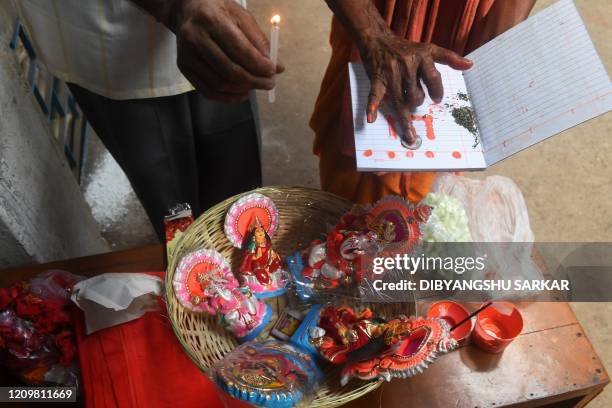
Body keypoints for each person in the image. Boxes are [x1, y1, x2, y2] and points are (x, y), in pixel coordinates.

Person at [15, 0, 283, 240]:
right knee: (173, 210)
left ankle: (247, 267)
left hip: (218, 24)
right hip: (109, 43)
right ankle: (192, 276)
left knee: (238, 193)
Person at [311, 0, 535, 204]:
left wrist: (501, 35)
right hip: (371, 15)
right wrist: (375, 39)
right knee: (350, 200)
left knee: (437, 167)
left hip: (466, 20)